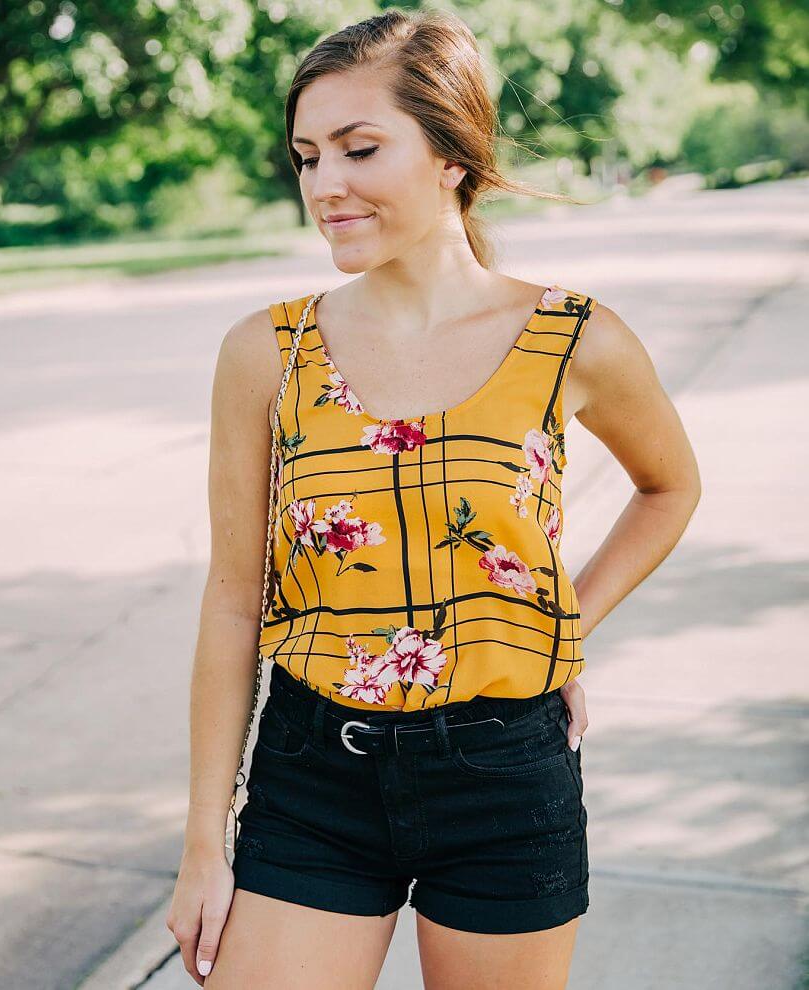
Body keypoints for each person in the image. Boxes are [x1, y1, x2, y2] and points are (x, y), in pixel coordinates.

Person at [166, 9, 701, 989]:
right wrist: (204, 840)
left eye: (359, 148)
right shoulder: (265, 354)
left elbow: (668, 488)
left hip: (506, 777)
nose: (324, 184)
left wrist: (554, 627)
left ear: (453, 153)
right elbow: (233, 598)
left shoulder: (571, 337)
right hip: (310, 773)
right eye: (305, 155)